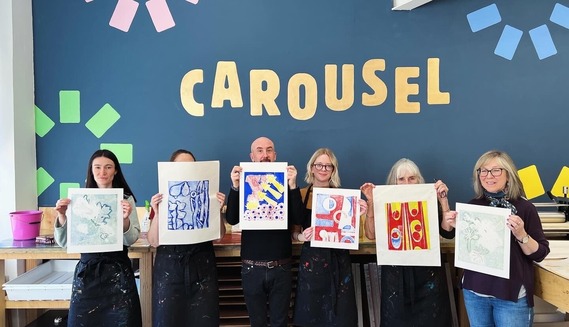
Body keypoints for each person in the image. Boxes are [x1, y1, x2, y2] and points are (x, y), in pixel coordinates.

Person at [444, 150, 550, 326]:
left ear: (508, 174)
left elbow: (540, 253)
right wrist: (458, 225)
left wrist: (522, 235)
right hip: (475, 293)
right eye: (483, 171)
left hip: (510, 296)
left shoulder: (525, 208)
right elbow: (456, 237)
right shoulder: (474, 206)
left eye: (496, 170)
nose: (488, 176)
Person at [360, 158, 454, 326]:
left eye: (412, 178)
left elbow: (447, 232)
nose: (406, 183)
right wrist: (372, 202)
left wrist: (443, 201)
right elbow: (371, 234)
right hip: (396, 277)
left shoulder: (429, 199)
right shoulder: (385, 201)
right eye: (401, 179)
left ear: (419, 180)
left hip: (428, 277)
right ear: (393, 182)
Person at [53, 149, 142, 326]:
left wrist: (124, 219)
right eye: (98, 167)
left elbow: (131, 239)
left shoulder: (126, 199)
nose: (103, 172)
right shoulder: (79, 200)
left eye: (108, 167)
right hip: (87, 275)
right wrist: (62, 215)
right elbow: (64, 243)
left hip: (119, 273)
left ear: (115, 170)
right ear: (91, 170)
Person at [225, 136, 303, 327]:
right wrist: (235, 187)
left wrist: (292, 186)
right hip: (252, 267)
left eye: (269, 150)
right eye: (259, 151)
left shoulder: (285, 182)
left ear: (275, 155)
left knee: (280, 322)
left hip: (281, 266)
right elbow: (232, 219)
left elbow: (299, 219)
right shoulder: (244, 182)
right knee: (257, 323)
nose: (265, 155)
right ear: (252, 157)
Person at [147, 149, 226, 327]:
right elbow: (153, 241)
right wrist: (158, 213)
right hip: (169, 271)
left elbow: (219, 237)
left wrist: (217, 211)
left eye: (190, 166)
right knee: (168, 320)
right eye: (180, 166)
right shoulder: (162, 198)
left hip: (201, 268)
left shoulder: (207, 194)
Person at [292, 148, 367, 326]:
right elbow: (293, 232)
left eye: (328, 166)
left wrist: (360, 215)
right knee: (310, 314)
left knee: (340, 315)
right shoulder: (300, 195)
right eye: (319, 165)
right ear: (311, 168)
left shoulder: (343, 198)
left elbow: (353, 234)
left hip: (338, 261)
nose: (323, 169)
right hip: (312, 263)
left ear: (333, 170)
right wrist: (302, 236)